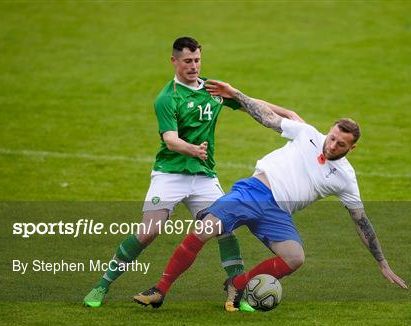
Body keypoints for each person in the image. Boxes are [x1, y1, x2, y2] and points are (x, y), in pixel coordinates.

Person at [132, 79, 408, 309]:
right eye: (332, 137)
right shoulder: (307, 134)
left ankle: (237, 285)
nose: (332, 144)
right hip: (253, 191)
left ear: (351, 149)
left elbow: (361, 221)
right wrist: (236, 94)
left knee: (295, 257)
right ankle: (160, 289)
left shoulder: (346, 177)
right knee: (205, 229)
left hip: (278, 213)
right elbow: (268, 118)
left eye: (341, 144)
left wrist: (382, 263)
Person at [83, 37, 302, 311]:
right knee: (148, 232)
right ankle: (103, 284)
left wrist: (286, 113)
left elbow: (247, 102)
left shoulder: (212, 89)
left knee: (225, 231)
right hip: (170, 174)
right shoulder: (167, 98)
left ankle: (237, 294)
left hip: (204, 177)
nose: (194, 66)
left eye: (197, 60)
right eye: (187, 61)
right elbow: (170, 140)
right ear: (174, 61)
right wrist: (192, 150)